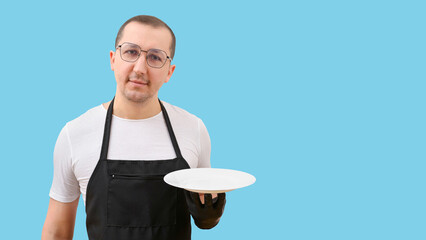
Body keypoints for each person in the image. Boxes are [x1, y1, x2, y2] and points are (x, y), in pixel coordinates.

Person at [41, 15, 226, 240]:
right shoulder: (75, 134)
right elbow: (57, 232)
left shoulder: (193, 129)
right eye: (131, 52)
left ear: (170, 71)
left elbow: (205, 207)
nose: (140, 68)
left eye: (155, 57)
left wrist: (210, 215)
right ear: (113, 59)